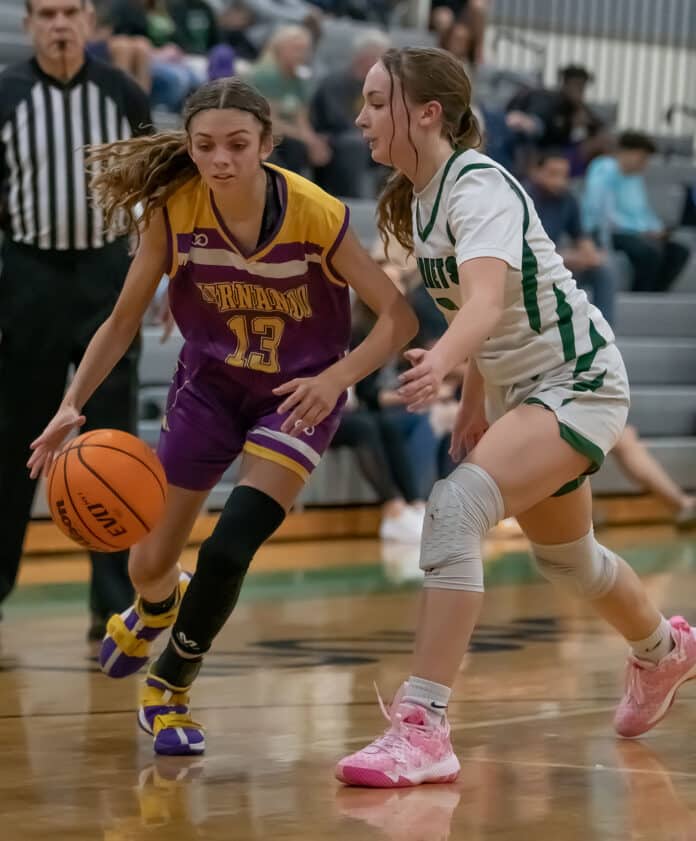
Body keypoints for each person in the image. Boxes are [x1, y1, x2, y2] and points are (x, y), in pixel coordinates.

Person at [336, 46, 696, 788]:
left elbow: (489, 305)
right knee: (569, 558)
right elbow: (476, 313)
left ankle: (424, 723)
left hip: (577, 379)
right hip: (520, 389)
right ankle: (665, 651)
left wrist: (443, 365)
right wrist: (474, 398)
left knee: (457, 504)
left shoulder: (478, 188)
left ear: (427, 112)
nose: (361, 116)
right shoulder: (415, 195)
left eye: (376, 101)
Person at [27, 77, 418, 756]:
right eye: (205, 146)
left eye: (238, 145)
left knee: (232, 543)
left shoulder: (316, 213)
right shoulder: (173, 209)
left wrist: (336, 378)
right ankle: (154, 606)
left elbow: (399, 317)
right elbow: (121, 322)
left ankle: (170, 684)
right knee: (149, 564)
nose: (220, 160)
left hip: (295, 398)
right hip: (209, 390)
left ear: (268, 144)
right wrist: (71, 404)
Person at [0, 0, 152, 638]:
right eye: (46, 13)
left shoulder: (121, 92)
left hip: (106, 281)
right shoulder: (5, 93)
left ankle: (112, 602)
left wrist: (159, 273)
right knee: (15, 442)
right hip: (28, 277)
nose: (59, 24)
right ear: (30, 22)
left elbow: (155, 189)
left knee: (109, 440)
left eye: (70, 12)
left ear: (89, 20)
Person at [582, 131, 691, 293]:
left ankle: (657, 294)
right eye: (642, 158)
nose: (644, 164)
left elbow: (642, 211)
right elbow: (603, 214)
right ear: (627, 153)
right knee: (648, 252)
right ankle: (641, 294)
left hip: (634, 232)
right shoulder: (604, 169)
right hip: (605, 231)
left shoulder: (635, 178)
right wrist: (642, 231)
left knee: (679, 251)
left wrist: (657, 229)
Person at [526, 150, 618, 326]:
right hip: (530, 267)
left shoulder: (567, 198)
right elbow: (525, 248)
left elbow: (580, 235)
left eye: (564, 175)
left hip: (557, 263)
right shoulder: (524, 197)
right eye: (553, 174)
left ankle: (603, 329)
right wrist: (567, 257)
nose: (560, 181)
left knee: (603, 270)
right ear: (536, 172)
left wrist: (590, 255)